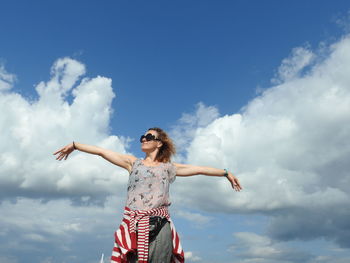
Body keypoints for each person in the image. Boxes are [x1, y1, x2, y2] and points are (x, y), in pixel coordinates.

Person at [54, 127, 242, 263]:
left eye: (149, 136)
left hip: (160, 225)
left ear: (159, 143)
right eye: (142, 136)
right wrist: (75, 145)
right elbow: (102, 152)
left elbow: (200, 169)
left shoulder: (169, 168)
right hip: (134, 224)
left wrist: (226, 173)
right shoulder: (133, 163)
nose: (144, 139)